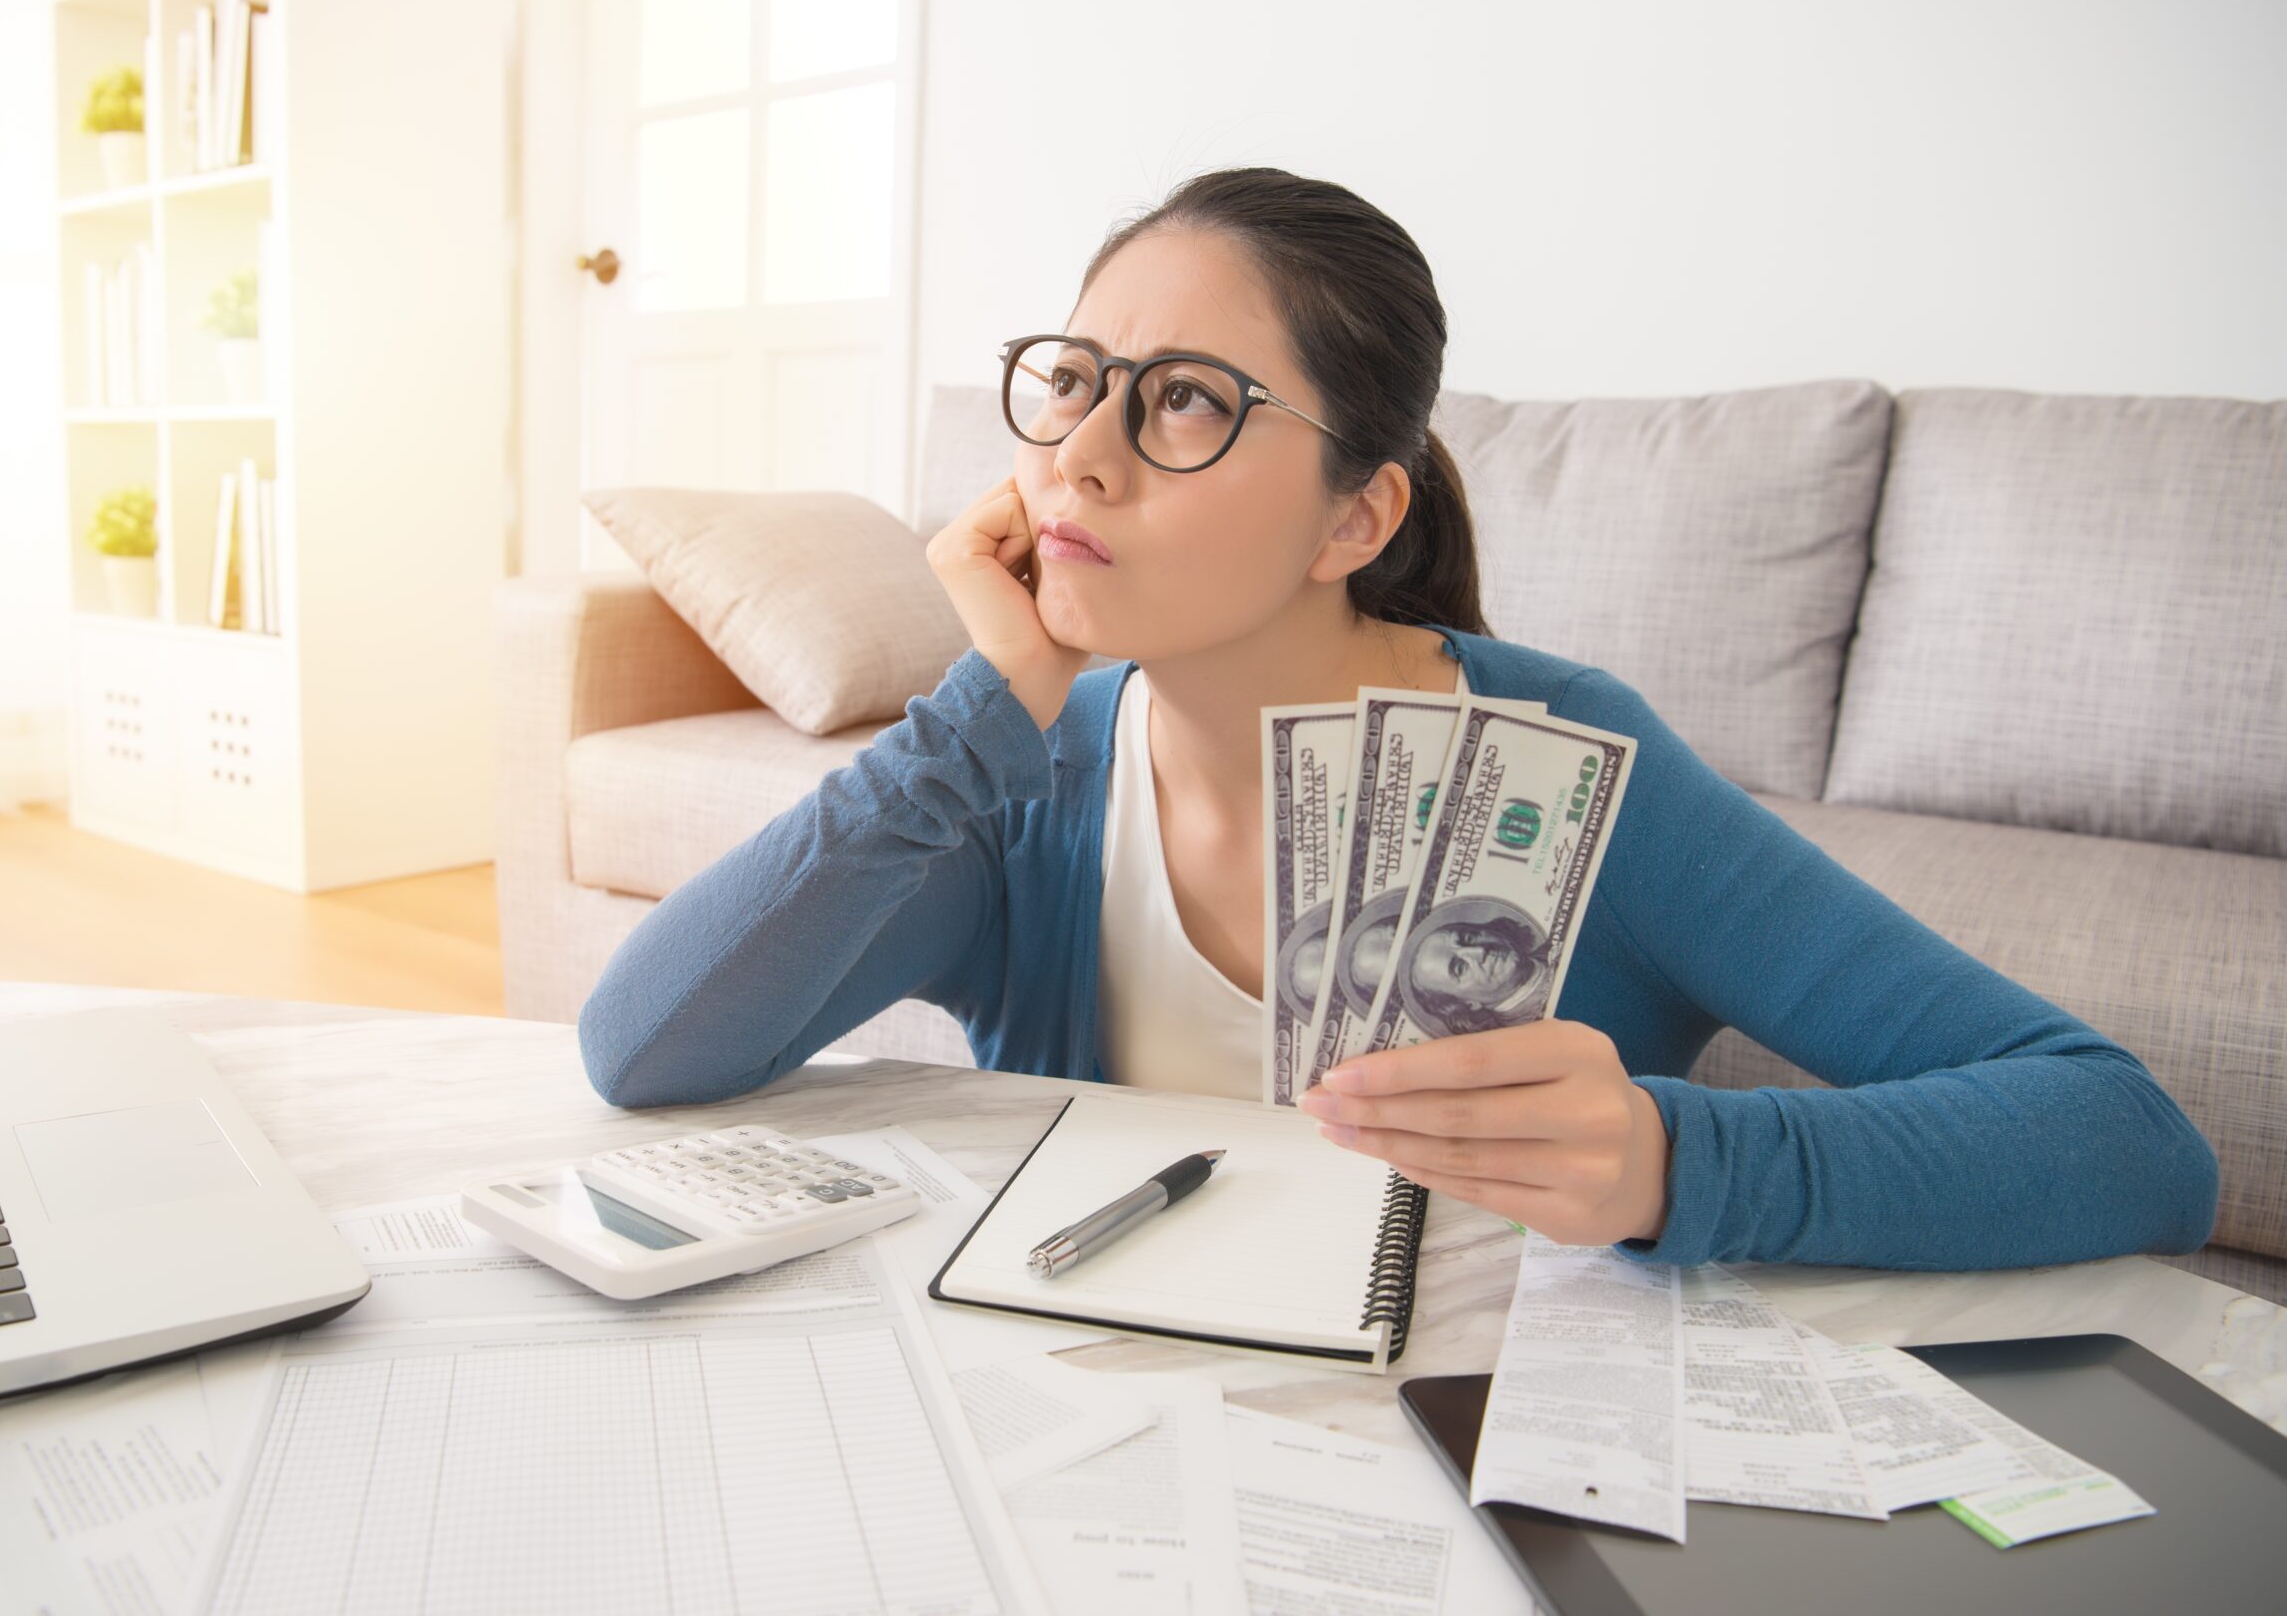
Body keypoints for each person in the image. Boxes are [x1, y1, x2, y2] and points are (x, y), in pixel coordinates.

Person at [577, 165, 2220, 1273]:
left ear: (1354, 521)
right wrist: (974, 711)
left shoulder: (1585, 771)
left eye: (1188, 405)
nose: (1077, 451)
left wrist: (1672, 1161)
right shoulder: (1013, 780)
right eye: (1076, 378)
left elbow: (2128, 1139)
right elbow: (644, 1053)